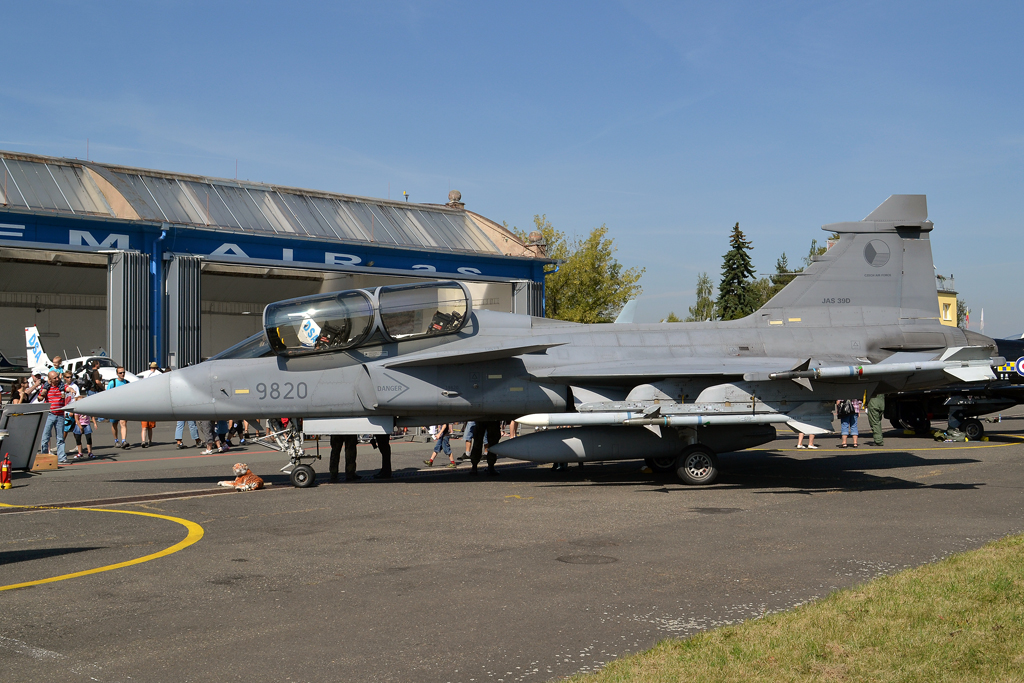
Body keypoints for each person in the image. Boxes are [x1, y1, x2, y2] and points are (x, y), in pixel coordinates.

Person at [38, 370, 68, 464]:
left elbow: (68, 388)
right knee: (45, 437)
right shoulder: (46, 387)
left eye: (57, 377)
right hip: (50, 414)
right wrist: (41, 395)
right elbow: (40, 398)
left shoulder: (61, 386)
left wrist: (71, 390)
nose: (57, 379)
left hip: (60, 415)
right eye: (54, 378)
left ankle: (61, 457)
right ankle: (44, 457)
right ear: (50, 380)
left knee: (60, 438)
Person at [137, 362, 163, 448]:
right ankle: (148, 440)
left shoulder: (146, 374)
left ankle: (144, 441)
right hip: (151, 407)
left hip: (145, 407)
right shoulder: (158, 374)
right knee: (149, 427)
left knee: (145, 427)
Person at [107, 367, 131, 449]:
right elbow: (106, 394)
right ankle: (116, 440)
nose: (122, 374)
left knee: (123, 423)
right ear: (117, 374)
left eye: (123, 372)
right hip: (114, 407)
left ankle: (124, 440)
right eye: (120, 373)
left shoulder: (127, 383)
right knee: (114, 424)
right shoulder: (112, 383)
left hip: (123, 407)